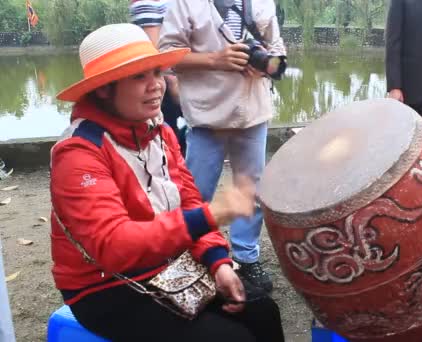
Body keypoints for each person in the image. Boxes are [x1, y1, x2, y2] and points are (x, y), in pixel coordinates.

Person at [50, 23, 284, 341]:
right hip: (105, 286)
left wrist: (218, 262)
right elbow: (114, 246)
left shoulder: (160, 132)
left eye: (157, 73)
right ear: (104, 88)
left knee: (262, 310)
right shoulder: (78, 154)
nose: (156, 86)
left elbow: (189, 200)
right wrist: (210, 215)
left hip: (166, 265)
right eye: (138, 77)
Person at [159, 0, 286, 292]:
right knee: (196, 191)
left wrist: (267, 66)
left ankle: (245, 256)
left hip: (252, 111)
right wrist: (216, 59)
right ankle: (190, 252)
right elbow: (166, 56)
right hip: (207, 115)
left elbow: (278, 51)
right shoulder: (185, 4)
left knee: (250, 189)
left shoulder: (262, 3)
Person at [129, 0, 186, 153]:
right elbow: (154, 51)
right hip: (167, 82)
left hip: (186, 77)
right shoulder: (148, 2)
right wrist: (173, 84)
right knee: (165, 140)